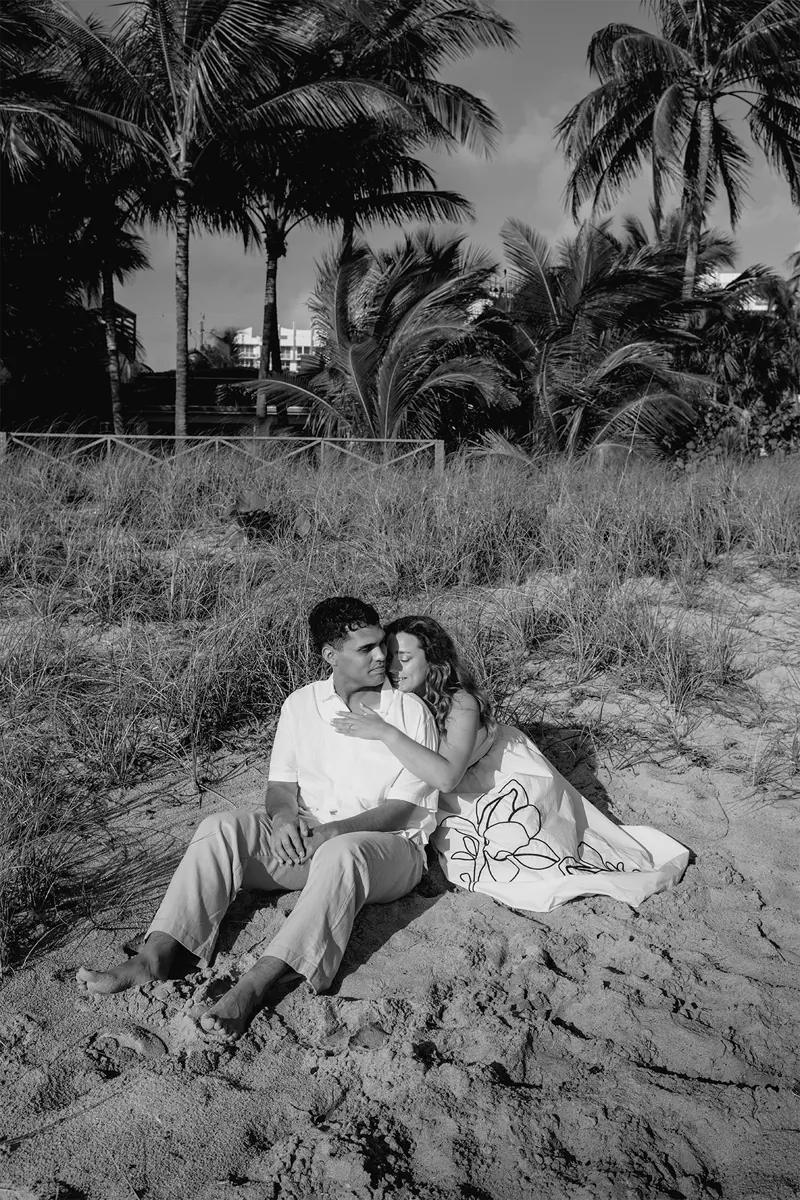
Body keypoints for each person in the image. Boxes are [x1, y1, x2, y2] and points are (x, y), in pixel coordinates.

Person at [77, 597, 439, 1036]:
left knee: (343, 852)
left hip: (390, 852)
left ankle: (258, 983)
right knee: (219, 828)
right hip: (312, 838)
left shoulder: (407, 711)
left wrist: (331, 832)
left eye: (381, 644)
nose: (382, 656)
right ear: (330, 655)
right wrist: (285, 819)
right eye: (366, 649)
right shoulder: (302, 705)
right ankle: (159, 955)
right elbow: (281, 786)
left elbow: (405, 807)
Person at [331, 615, 690, 911]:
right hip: (451, 787)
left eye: (405, 658)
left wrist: (388, 734)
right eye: (389, 657)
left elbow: (446, 777)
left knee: (526, 859)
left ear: (434, 660)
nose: (393, 667)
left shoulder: (461, 704)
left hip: (500, 775)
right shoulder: (398, 699)